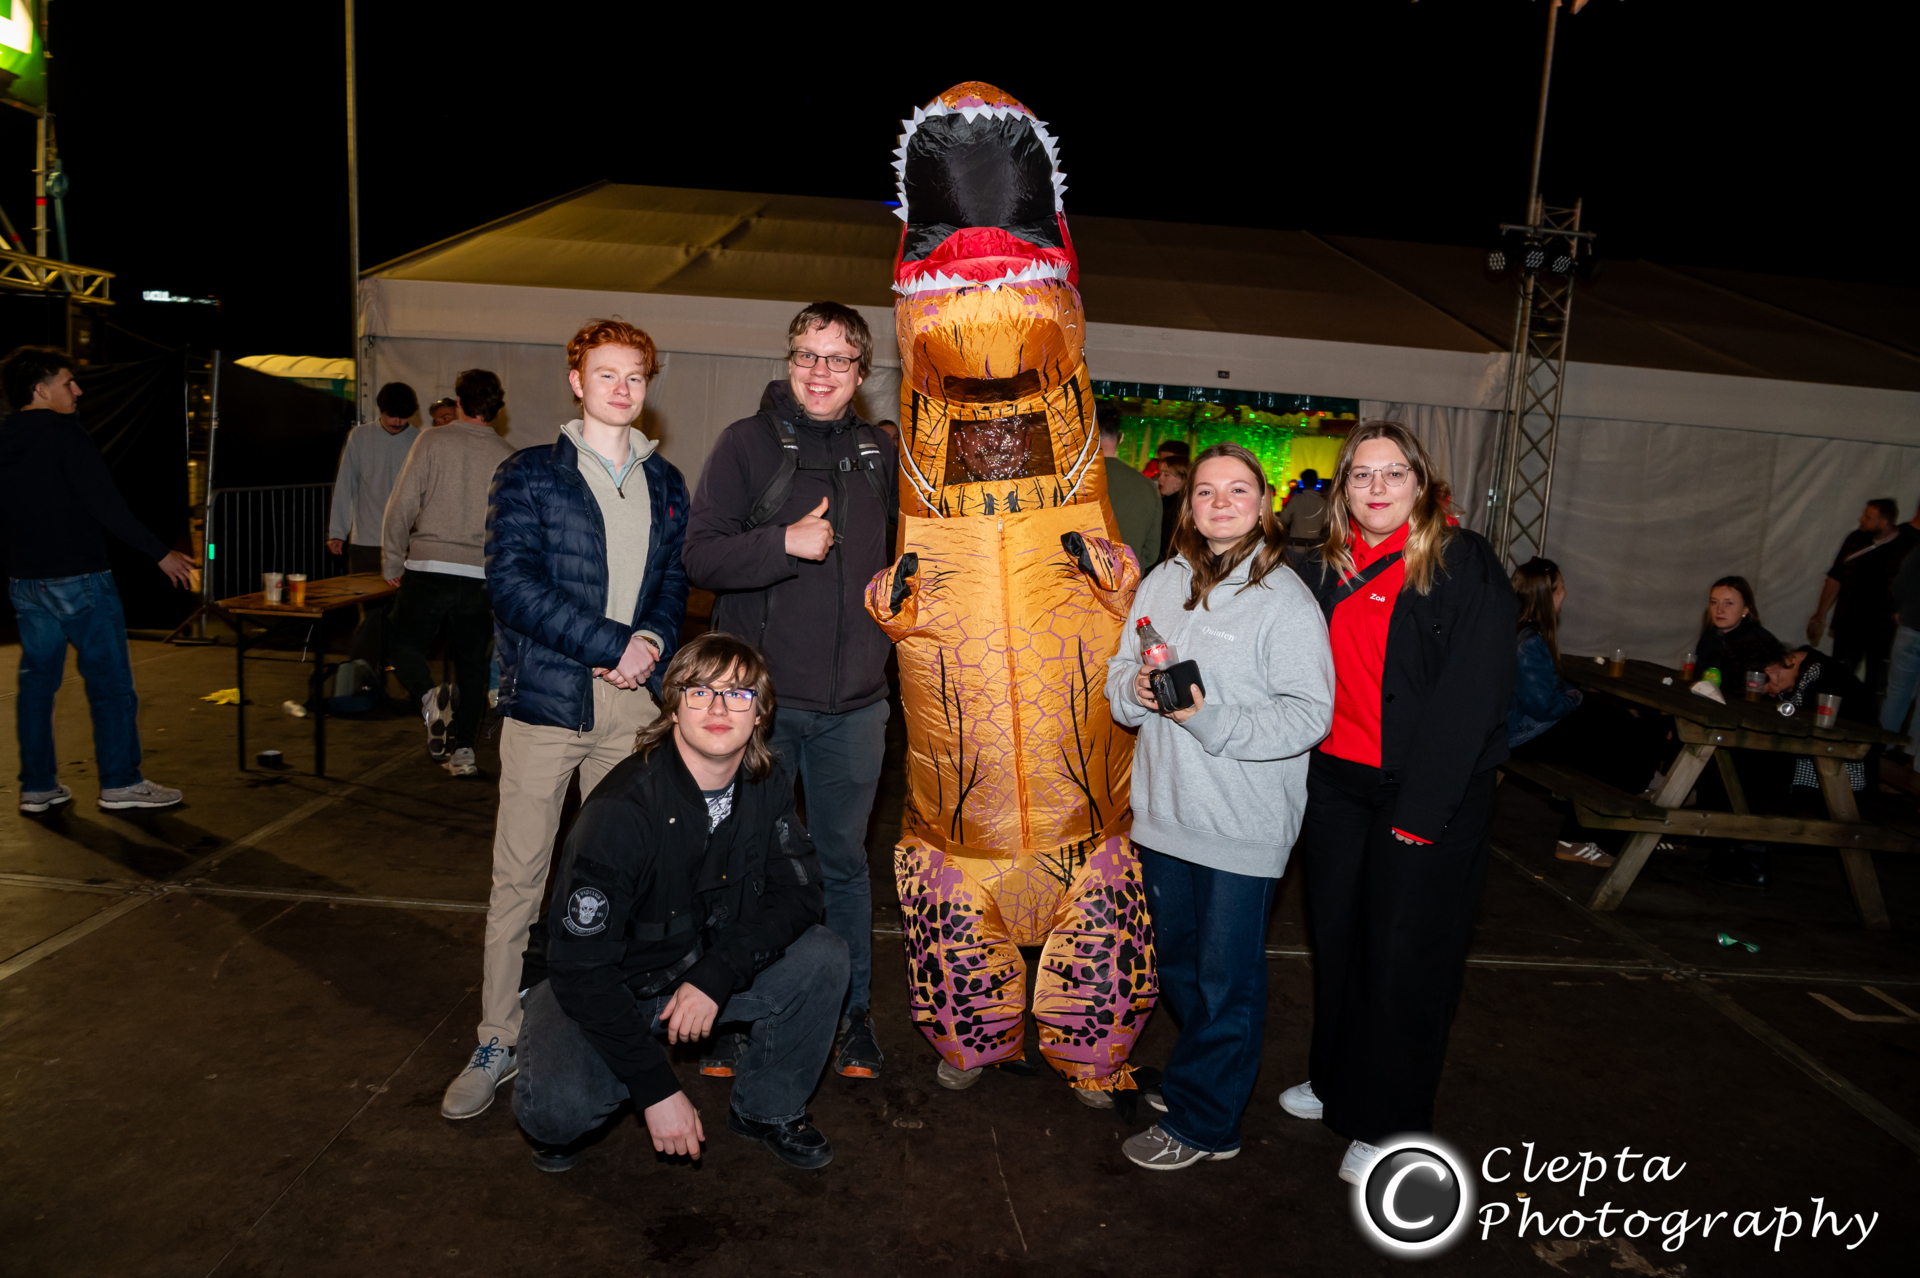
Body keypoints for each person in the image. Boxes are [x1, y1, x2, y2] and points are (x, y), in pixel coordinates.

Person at [440, 318, 689, 1121]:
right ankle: (497, 1037)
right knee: (520, 877)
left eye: (635, 376)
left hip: (633, 706)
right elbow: (512, 586)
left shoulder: (666, 482)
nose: (622, 388)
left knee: (619, 880)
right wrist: (612, 645)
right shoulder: (530, 474)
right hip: (550, 702)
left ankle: (606, 1031)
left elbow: (672, 584)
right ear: (577, 382)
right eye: (606, 374)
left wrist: (652, 643)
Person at [511, 633, 848, 1172]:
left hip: (696, 964)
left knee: (824, 956)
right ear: (672, 708)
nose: (719, 708)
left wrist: (719, 972)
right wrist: (656, 1089)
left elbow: (800, 892)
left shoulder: (766, 783)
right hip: (604, 981)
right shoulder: (623, 810)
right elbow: (580, 968)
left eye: (738, 694)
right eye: (700, 692)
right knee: (556, 1112)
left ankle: (767, 1107)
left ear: (759, 715)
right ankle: (590, 1081)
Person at [1288, 420, 1516, 1186]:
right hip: (1337, 786)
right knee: (1340, 941)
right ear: (1343, 488)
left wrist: (1424, 812)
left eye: (1394, 473)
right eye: (1362, 474)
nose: (1377, 487)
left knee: (1405, 958)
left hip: (1423, 793)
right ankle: (1335, 1081)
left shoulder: (1460, 562)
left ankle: (1389, 1122)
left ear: (1420, 484)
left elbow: (1474, 695)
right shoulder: (1323, 566)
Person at [682, 301, 897, 1082]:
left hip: (857, 709)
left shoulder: (881, 454)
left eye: (838, 358)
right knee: (743, 864)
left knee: (843, 866)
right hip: (760, 707)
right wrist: (784, 544)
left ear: (861, 372)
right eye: (807, 354)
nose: (820, 371)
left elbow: (910, 557)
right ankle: (733, 1012)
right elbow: (700, 557)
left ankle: (851, 1018)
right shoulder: (746, 443)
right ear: (789, 360)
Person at [1108, 443, 1334, 1171]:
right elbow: (1121, 670)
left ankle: (1209, 1125)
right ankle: (1197, 1077)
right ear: (1188, 505)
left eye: (1238, 490)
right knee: (1179, 966)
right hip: (1165, 815)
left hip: (1241, 824)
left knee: (1224, 980)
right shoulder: (1163, 580)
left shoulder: (1284, 599)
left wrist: (1210, 721)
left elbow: (1309, 715)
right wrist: (1134, 693)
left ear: (1263, 504)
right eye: (1206, 491)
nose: (1221, 503)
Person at [2, 346, 195, 814]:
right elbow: (106, 504)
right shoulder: (65, 434)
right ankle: (121, 782)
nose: (78, 390)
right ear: (40, 389)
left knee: (36, 686)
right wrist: (159, 553)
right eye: (68, 382)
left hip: (26, 583)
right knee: (110, 683)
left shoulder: (5, 436)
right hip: (80, 579)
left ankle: (38, 787)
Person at [379, 369, 513, 775]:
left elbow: (402, 503)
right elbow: (513, 527)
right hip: (480, 575)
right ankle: (464, 753)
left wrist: (391, 559)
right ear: (496, 407)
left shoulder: (431, 440)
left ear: (458, 402)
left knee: (401, 642)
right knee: (473, 666)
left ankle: (428, 698)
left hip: (429, 565)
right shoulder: (509, 455)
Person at [1504, 557, 1613, 867]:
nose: (1565, 594)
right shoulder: (1529, 642)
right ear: (1546, 595)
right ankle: (1580, 838)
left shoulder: (1511, 628)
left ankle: (1640, 786)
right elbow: (1544, 707)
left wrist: (1572, 695)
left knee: (1606, 722)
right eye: (1561, 588)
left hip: (1511, 730)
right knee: (1607, 733)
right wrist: (1574, 697)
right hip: (1522, 736)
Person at [326, 382, 420, 674]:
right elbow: (345, 483)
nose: (398, 422)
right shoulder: (360, 436)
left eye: (404, 416)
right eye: (392, 415)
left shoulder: (420, 440)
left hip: (406, 543)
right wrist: (337, 531)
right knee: (371, 614)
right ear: (381, 410)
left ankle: (383, 668)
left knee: (403, 613)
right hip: (366, 541)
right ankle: (363, 672)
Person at [1808, 499, 1908, 700]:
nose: (1861, 520)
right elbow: (1836, 577)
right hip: (1849, 624)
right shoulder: (1856, 539)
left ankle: (1869, 717)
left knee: (1876, 684)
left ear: (1884, 521)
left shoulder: (1905, 547)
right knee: (1839, 678)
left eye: (1868, 517)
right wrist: (1820, 613)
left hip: (1882, 630)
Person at [1098, 402, 1163, 573]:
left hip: (1070, 586)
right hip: (1126, 583)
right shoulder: (1147, 486)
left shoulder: (1065, 483)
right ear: (1121, 438)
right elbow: (1151, 554)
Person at [1694, 576, 1779, 687]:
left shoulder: (1761, 643)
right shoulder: (1709, 637)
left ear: (1746, 609)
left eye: (1729, 603)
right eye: (1714, 602)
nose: (1719, 610)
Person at [1882, 533, 1920, 748]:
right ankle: (1913, 757)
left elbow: (1899, 582)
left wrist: (1902, 610)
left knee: (1896, 694)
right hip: (1909, 624)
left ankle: (1882, 748)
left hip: (1910, 627)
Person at [1278, 468, 1329, 565]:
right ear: (1315, 482)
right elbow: (1327, 525)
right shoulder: (1323, 503)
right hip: (1314, 549)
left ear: (1303, 482)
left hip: (1295, 547)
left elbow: (1283, 519)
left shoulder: (1297, 499)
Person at [1155, 457, 1188, 566]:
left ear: (1182, 479)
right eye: (1160, 473)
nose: (1160, 479)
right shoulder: (1166, 502)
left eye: (1166, 475)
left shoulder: (1178, 508)